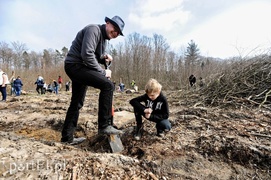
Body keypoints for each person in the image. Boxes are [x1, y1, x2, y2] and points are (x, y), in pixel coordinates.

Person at [61, 15, 125, 145]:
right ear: (107, 23)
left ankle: (67, 138)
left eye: (118, 32)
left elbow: (94, 56)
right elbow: (87, 55)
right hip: (75, 65)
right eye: (115, 28)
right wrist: (102, 71)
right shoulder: (93, 30)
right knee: (108, 85)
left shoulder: (103, 39)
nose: (116, 33)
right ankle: (104, 125)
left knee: (77, 102)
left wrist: (103, 58)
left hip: (81, 66)